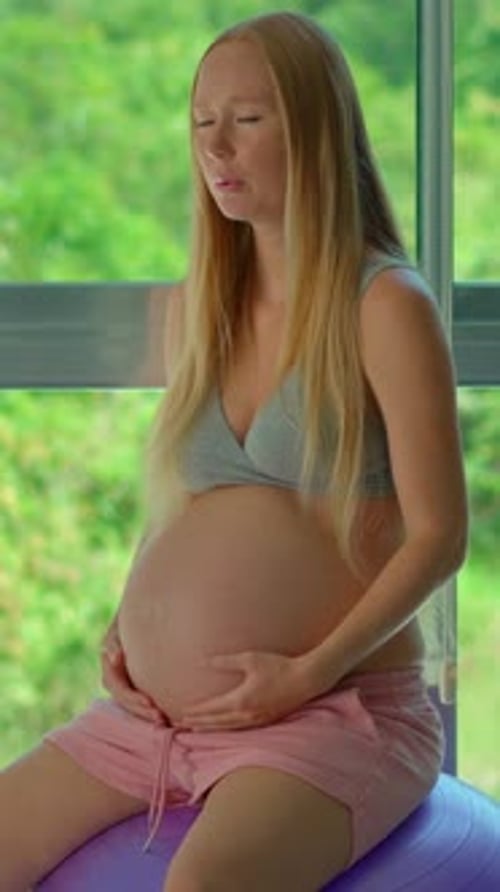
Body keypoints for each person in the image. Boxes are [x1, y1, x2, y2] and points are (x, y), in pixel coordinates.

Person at [0, 11, 467, 892]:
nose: (217, 148)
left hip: (336, 713)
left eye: (247, 120)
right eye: (201, 123)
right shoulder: (202, 307)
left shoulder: (385, 307)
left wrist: (304, 673)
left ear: (316, 130)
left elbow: (441, 537)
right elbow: (187, 502)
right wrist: (124, 627)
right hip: (156, 725)